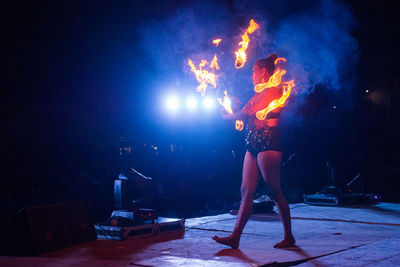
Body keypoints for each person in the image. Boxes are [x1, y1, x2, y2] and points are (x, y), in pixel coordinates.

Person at [212, 54, 295, 249]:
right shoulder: (259, 92)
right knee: (246, 190)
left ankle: (289, 237)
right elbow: (244, 113)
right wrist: (231, 105)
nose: (251, 75)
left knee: (274, 190)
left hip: (268, 142)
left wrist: (228, 116)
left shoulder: (271, 91)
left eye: (253, 71)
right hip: (252, 143)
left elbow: (245, 113)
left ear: (263, 71)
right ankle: (235, 237)